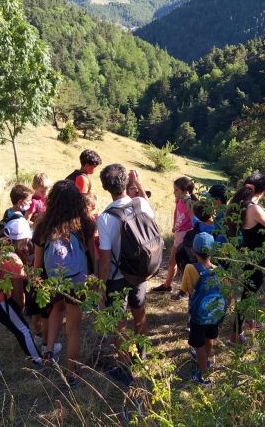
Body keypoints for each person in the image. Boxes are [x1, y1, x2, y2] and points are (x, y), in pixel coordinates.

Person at [32, 181, 97, 386]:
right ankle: (71, 373)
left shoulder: (43, 224)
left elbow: (37, 261)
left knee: (57, 309)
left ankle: (49, 351)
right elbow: (91, 255)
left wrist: (36, 282)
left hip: (53, 279)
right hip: (77, 280)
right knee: (73, 329)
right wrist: (95, 279)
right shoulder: (86, 223)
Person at [97, 165, 154, 385]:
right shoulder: (141, 204)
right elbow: (148, 206)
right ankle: (141, 353)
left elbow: (105, 258)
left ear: (105, 187)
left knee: (119, 322)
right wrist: (138, 182)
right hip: (139, 273)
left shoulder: (105, 218)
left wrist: (101, 286)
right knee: (139, 313)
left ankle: (123, 365)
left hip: (117, 277)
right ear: (126, 183)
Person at [0, 217, 43, 389]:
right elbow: (18, 293)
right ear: (22, 240)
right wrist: (21, 306)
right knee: (23, 330)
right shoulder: (12, 260)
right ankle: (38, 362)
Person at [225, 172, 265, 344]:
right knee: (249, 294)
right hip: (256, 257)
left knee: (248, 291)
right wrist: (264, 210)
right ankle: (235, 334)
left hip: (244, 253)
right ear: (264, 191)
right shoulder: (254, 209)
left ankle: (247, 321)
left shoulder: (240, 204)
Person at [180, 232, 226, 386]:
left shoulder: (190, 268)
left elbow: (185, 289)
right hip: (214, 313)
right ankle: (205, 360)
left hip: (199, 316)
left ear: (193, 251)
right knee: (209, 338)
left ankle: (203, 373)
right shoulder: (218, 269)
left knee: (197, 344)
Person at [151, 176, 197, 293]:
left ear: (185, 191)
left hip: (185, 236)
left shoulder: (190, 202)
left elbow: (194, 219)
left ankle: (183, 290)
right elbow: (176, 210)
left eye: (176, 190)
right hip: (178, 234)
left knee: (182, 264)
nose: (174, 192)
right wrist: (174, 224)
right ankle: (168, 285)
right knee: (173, 262)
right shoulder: (179, 200)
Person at [0, 185, 33, 252]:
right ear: (20, 202)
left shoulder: (12, 211)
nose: (31, 202)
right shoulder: (15, 218)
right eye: (28, 200)